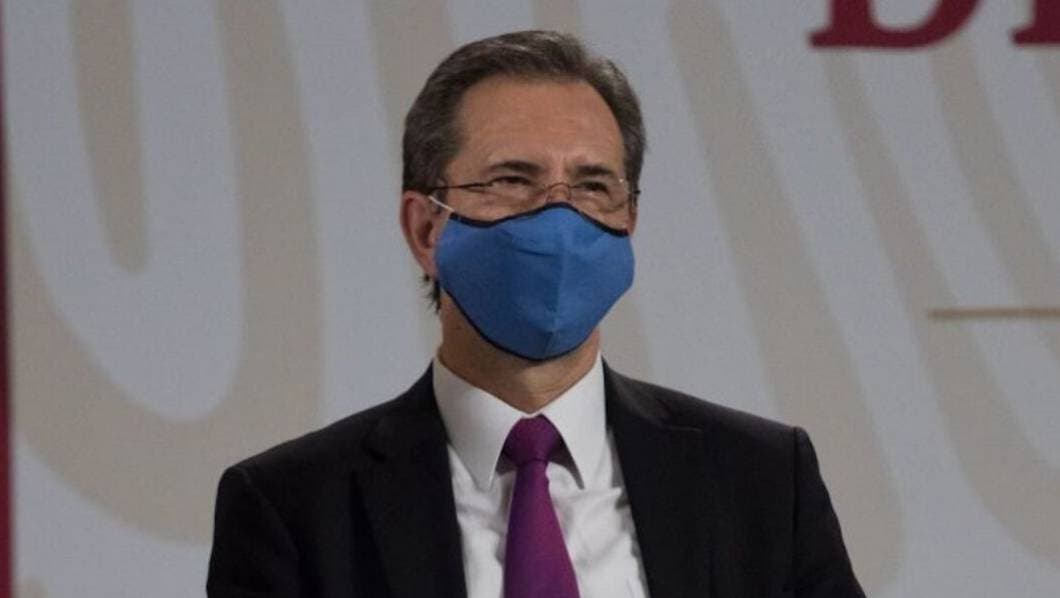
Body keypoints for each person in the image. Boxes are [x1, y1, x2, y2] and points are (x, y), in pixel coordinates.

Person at [207, 30, 865, 598]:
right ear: (426, 228)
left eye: (592, 185)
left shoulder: (763, 481)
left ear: (629, 219)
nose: (558, 216)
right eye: (512, 180)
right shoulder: (291, 506)